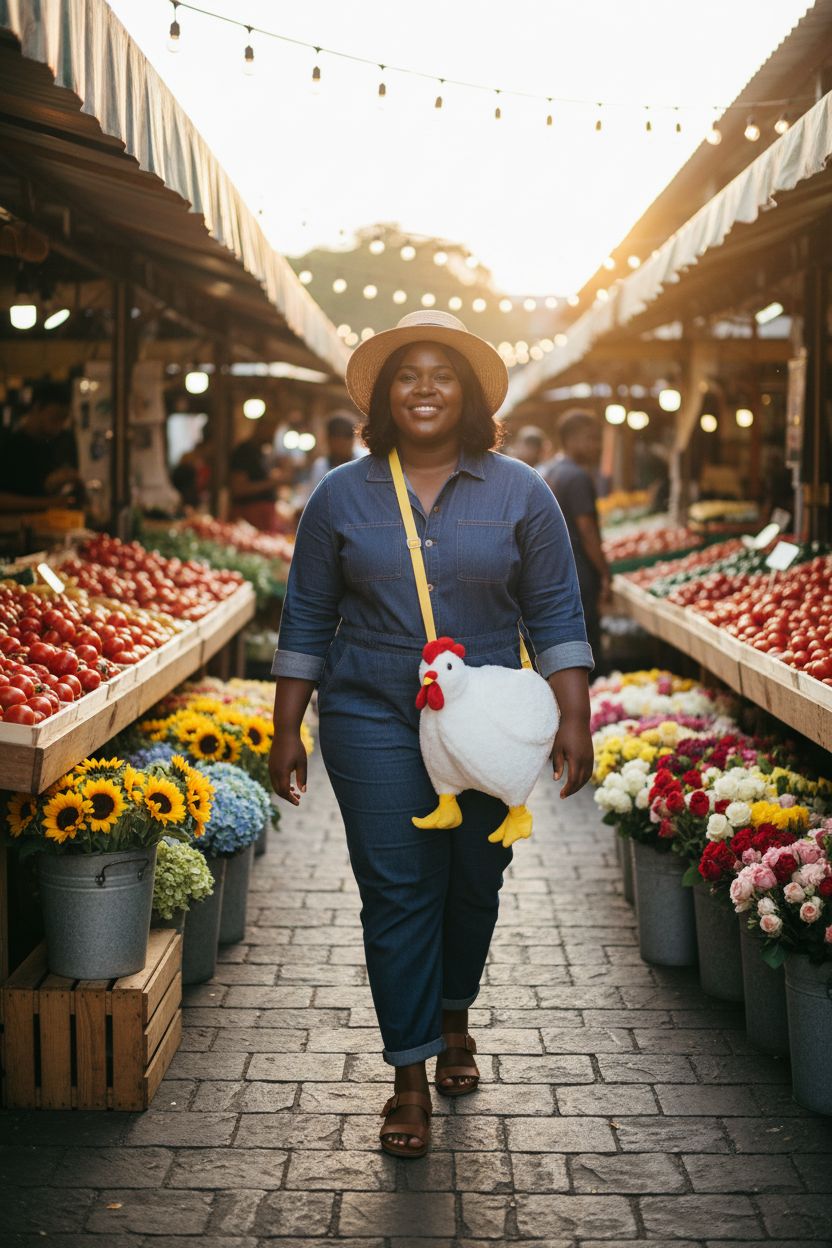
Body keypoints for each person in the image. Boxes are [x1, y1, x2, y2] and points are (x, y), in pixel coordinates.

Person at [269, 311, 594, 1159]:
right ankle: (408, 1075)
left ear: (470, 394)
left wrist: (575, 715)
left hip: (488, 717)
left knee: (474, 880)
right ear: (382, 396)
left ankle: (455, 1017)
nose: (423, 387)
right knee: (399, 886)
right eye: (405, 374)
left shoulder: (523, 491)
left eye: (441, 373)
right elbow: (305, 613)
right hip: (370, 707)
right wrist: (286, 729)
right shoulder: (341, 493)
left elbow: (557, 607)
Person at [542, 409, 610, 671]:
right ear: (571, 439)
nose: (597, 445)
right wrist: (605, 573)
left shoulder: (553, 470)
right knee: (588, 647)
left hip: (560, 573)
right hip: (581, 574)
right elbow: (587, 530)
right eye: (591, 438)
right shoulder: (578, 476)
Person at [0, 378, 81, 512]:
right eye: (55, 417)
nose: (59, 426)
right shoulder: (8, 443)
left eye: (64, 419)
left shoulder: (63, 441)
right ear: (37, 407)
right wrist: (48, 503)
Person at [229, 414, 287, 532]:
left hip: (263, 517)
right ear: (262, 427)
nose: (273, 435)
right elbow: (238, 488)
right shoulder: (245, 450)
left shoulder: (262, 452)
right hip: (250, 516)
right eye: (272, 430)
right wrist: (271, 483)